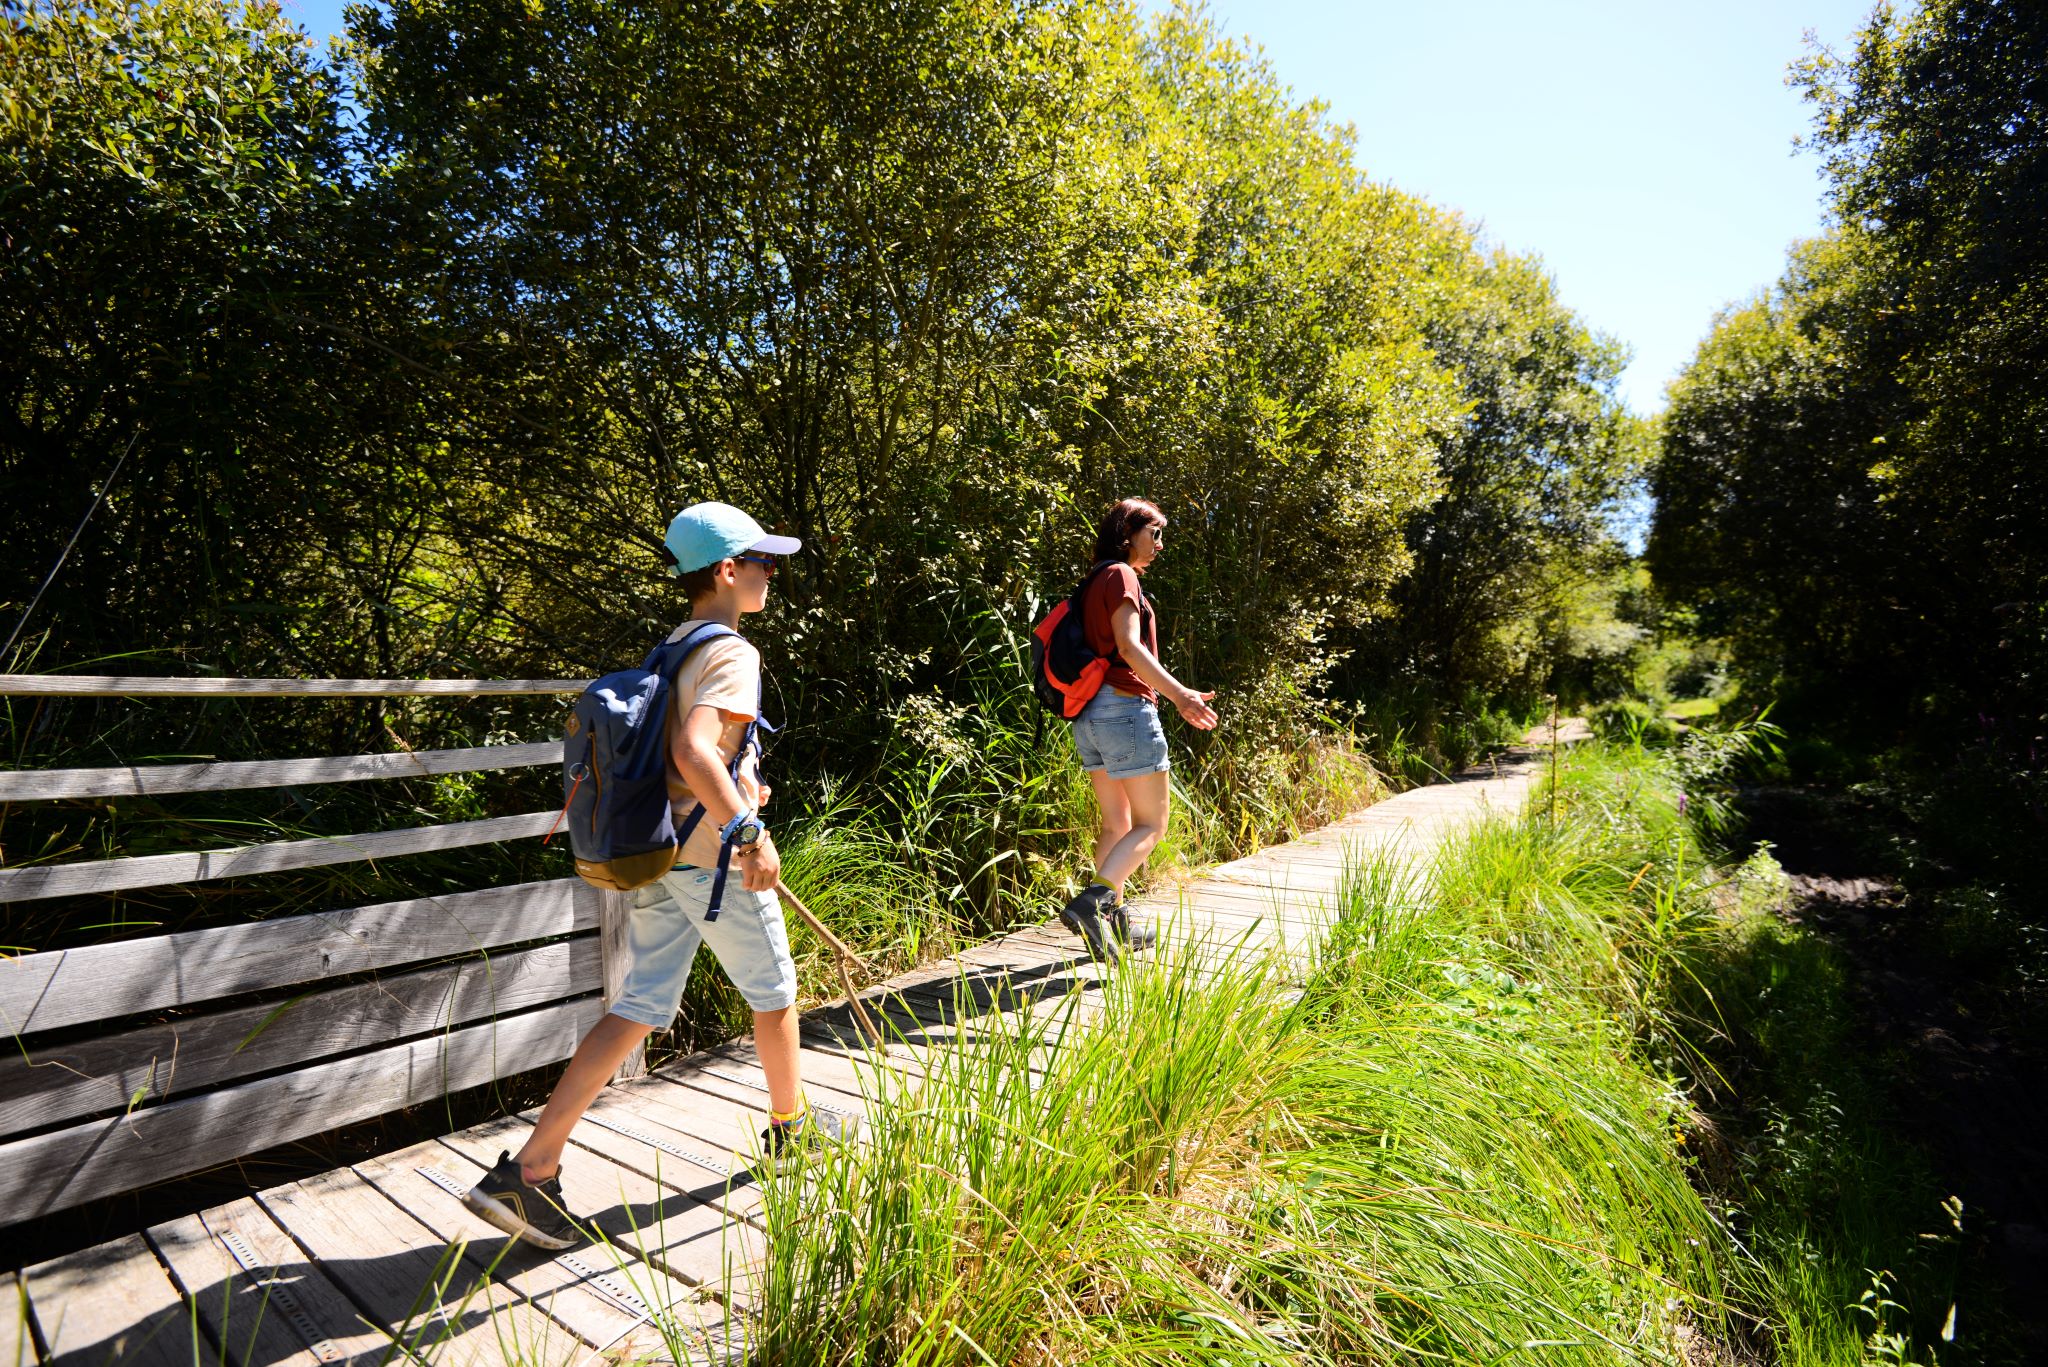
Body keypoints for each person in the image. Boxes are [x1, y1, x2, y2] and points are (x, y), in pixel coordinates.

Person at [464, 501, 843, 1250]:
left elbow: (688, 757)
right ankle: (792, 1127)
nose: (773, 574)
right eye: (764, 563)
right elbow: (694, 753)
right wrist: (751, 830)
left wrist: (744, 786)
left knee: (638, 1003)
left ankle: (529, 1172)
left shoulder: (672, 644)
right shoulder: (733, 649)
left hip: (664, 853)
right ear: (729, 571)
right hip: (713, 862)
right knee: (776, 995)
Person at [1057, 498, 1217, 963]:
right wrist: (1179, 694)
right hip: (1124, 709)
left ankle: (1115, 924)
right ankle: (1094, 903)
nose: (1160, 544)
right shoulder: (1121, 575)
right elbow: (1128, 646)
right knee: (1153, 823)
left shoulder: (1094, 580)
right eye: (1156, 533)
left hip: (1090, 715)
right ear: (1129, 532)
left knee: (1117, 823)